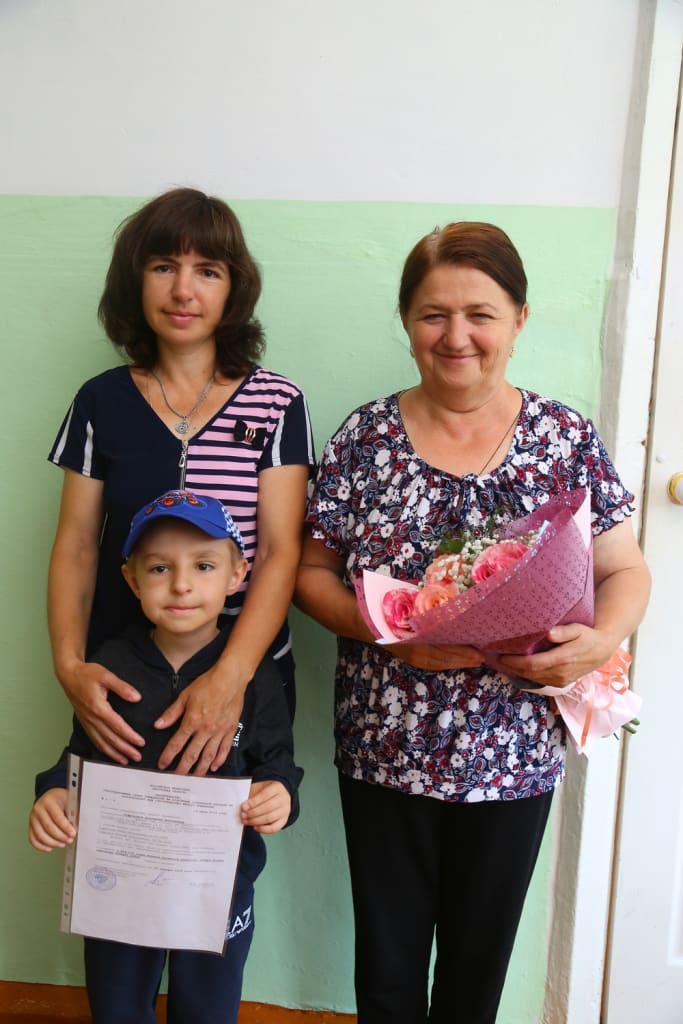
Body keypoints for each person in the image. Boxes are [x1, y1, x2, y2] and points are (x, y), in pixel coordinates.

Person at [295, 222, 651, 1024]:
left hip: (514, 751)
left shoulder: (562, 439)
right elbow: (309, 577)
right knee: (386, 971)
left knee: (475, 970)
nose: (455, 336)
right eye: (432, 314)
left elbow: (625, 570)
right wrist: (389, 634)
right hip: (385, 744)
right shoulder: (364, 439)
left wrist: (599, 641)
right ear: (406, 322)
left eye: (479, 314)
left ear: (517, 319)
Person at [47, 187, 314, 777]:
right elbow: (76, 546)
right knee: (118, 828)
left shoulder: (276, 402)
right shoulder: (100, 401)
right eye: (164, 267)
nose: (183, 291)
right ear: (135, 279)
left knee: (235, 829)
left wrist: (230, 678)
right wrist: (70, 667)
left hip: (248, 675)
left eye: (207, 271)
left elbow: (279, 552)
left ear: (234, 287)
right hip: (124, 677)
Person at [30, 490, 301, 1024]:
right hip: (118, 886)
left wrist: (279, 796)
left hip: (218, 889)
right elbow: (80, 755)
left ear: (237, 574)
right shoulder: (110, 664)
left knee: (208, 1010)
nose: (181, 584)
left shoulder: (253, 675)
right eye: (159, 568)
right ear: (131, 579)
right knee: (116, 1007)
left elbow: (277, 763)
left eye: (203, 565)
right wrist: (55, 792)